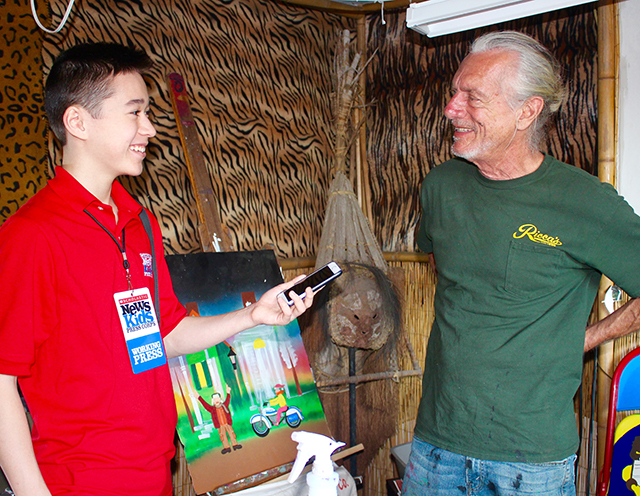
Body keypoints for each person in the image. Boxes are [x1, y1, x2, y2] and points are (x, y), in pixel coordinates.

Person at [0, 42, 315, 496]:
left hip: (154, 473)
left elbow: (164, 335)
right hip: (78, 482)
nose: (149, 128)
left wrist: (253, 316)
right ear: (77, 122)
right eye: (135, 112)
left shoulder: (139, 221)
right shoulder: (31, 235)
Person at [403, 30, 640, 495]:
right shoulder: (441, 187)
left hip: (531, 462)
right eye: (454, 93)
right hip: (435, 445)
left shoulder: (585, 202)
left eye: (472, 97)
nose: (452, 108)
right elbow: (444, 265)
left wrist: (584, 338)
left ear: (526, 111)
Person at [197, 385, 241, 454]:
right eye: (214, 399)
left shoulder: (224, 405)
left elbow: (228, 400)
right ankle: (226, 448)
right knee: (222, 436)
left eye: (217, 398)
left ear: (220, 399)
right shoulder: (212, 409)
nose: (216, 400)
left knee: (232, 433)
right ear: (213, 401)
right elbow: (206, 405)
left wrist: (228, 392)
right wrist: (199, 397)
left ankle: (235, 445)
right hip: (220, 425)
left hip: (227, 423)